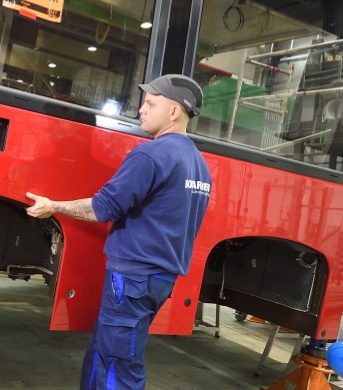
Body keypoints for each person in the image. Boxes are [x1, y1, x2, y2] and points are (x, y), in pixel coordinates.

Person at [25, 74, 212, 390]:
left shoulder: (151, 155)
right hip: (159, 279)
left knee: (119, 363)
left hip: (133, 280)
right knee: (103, 350)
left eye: (151, 103)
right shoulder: (199, 165)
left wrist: (53, 205)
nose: (141, 109)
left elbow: (102, 209)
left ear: (174, 111)